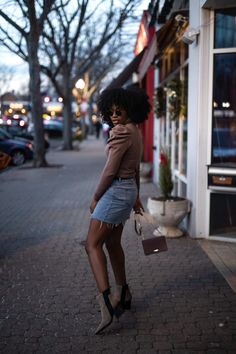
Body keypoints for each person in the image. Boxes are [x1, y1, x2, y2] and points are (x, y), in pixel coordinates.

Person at [85, 87, 151, 335]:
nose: (114, 115)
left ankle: (106, 303)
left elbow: (110, 171)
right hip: (127, 192)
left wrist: (95, 197)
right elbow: (134, 169)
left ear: (129, 109)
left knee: (91, 245)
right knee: (112, 243)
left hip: (115, 192)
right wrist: (136, 196)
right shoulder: (135, 131)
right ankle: (123, 292)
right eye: (110, 111)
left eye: (119, 110)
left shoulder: (122, 132)